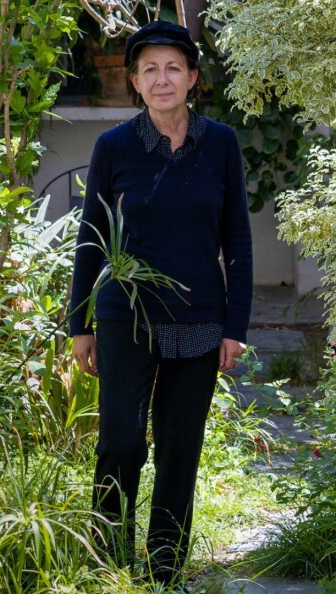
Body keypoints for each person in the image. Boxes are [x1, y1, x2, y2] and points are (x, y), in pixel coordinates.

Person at [68, 20, 253, 588]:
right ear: (134, 81)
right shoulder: (114, 147)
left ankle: (164, 569)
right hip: (126, 315)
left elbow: (238, 240)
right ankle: (107, 557)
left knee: (180, 448)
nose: (162, 78)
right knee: (120, 440)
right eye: (150, 68)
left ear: (193, 77)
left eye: (174, 67)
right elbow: (90, 236)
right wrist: (80, 325)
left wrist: (235, 327)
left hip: (200, 320)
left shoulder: (219, 143)